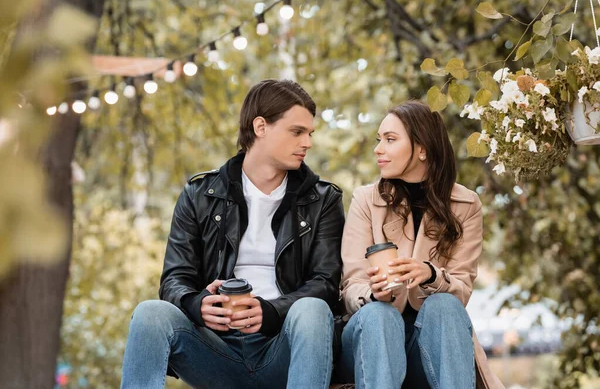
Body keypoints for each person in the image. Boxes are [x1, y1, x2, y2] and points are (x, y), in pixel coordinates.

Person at [120, 79, 345, 389]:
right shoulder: (200, 194)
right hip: (216, 350)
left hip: (284, 347)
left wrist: (268, 312)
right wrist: (198, 304)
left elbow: (326, 285)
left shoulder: (323, 201)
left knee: (312, 309)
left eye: (310, 133)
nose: (307, 142)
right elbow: (174, 279)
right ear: (261, 127)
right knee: (150, 314)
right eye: (297, 132)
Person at [338, 100, 503, 389]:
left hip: (429, 341)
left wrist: (430, 274)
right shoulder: (365, 200)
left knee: (445, 306)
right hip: (371, 340)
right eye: (380, 140)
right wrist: (375, 294)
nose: (378, 149)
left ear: (422, 149)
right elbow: (351, 287)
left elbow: (461, 290)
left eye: (390, 140)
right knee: (379, 316)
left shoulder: (466, 205)